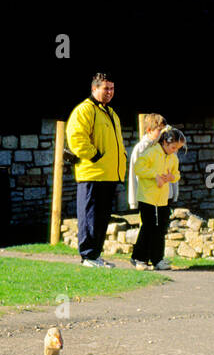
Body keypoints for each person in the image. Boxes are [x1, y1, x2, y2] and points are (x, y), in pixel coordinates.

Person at [65, 73, 128, 268]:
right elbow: (76, 137)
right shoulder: (85, 110)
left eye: (112, 88)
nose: (109, 92)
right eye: (105, 88)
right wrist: (95, 156)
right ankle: (87, 256)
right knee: (89, 215)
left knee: (101, 218)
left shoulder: (111, 113)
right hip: (92, 174)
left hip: (109, 175)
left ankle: (95, 256)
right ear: (94, 89)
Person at [131, 127, 186, 270]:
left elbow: (177, 174)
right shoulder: (151, 152)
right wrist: (155, 175)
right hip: (147, 197)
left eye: (178, 148)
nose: (175, 150)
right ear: (165, 143)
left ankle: (157, 260)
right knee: (148, 227)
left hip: (162, 199)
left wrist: (172, 177)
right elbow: (138, 168)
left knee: (161, 228)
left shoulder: (173, 157)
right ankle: (139, 259)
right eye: (173, 147)